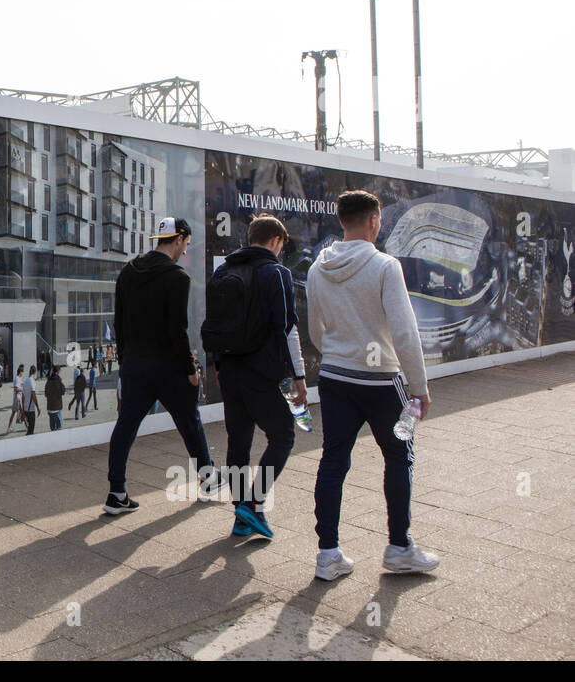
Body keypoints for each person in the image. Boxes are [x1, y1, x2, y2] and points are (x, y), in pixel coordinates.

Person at [307, 190, 437, 580]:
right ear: (374, 221)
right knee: (399, 458)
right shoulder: (385, 266)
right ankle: (399, 548)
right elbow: (404, 331)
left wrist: (337, 353)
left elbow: (315, 329)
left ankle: (328, 555)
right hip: (382, 382)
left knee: (333, 462)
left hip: (334, 378)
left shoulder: (317, 269)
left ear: (341, 220)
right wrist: (419, 387)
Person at [105, 217, 219, 515]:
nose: (185, 251)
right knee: (190, 422)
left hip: (135, 365)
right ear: (178, 240)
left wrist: (124, 359)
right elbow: (177, 330)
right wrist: (191, 369)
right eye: (186, 245)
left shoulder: (128, 271)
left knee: (125, 427)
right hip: (168, 366)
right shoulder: (177, 277)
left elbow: (118, 322)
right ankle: (208, 481)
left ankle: (116, 493)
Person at [205, 215, 307, 540]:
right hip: (262, 373)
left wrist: (219, 368)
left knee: (239, 442)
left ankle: (241, 515)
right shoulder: (276, 273)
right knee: (283, 436)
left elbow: (216, 325)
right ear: (276, 241)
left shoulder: (223, 271)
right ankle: (253, 503)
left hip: (230, 372)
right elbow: (287, 329)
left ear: (251, 238)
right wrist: (299, 377)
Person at [20, 364, 40, 435]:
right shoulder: (32, 381)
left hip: (26, 409)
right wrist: (37, 407)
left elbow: (23, 396)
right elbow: (33, 395)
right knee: (31, 430)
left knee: (29, 430)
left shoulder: (26, 381)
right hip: (31, 410)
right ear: (35, 372)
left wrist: (22, 410)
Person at [6, 365, 26, 434]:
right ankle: (27, 425)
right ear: (20, 372)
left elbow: (21, 384)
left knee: (14, 412)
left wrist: (24, 385)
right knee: (22, 412)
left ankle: (9, 427)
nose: (23, 373)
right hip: (17, 398)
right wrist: (22, 389)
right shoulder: (17, 378)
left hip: (17, 397)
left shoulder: (19, 378)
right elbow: (16, 388)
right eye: (22, 371)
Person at [44, 366, 65, 431]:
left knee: (52, 429)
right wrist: (61, 382)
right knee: (59, 428)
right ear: (58, 371)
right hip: (57, 407)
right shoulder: (58, 380)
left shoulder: (48, 380)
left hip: (50, 407)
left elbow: (46, 393)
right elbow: (63, 391)